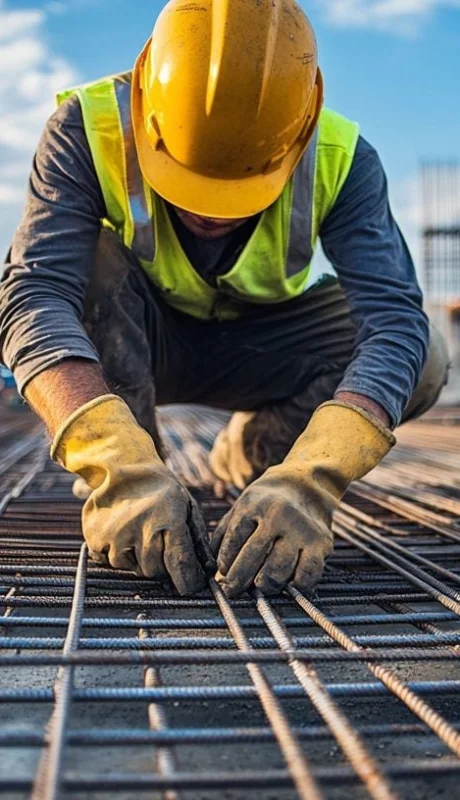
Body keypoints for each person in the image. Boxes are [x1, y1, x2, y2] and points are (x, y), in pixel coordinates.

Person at [0, 0, 449, 597]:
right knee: (84, 271)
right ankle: (139, 481)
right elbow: (34, 293)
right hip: (135, 342)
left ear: (297, 133)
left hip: (263, 347)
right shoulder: (90, 127)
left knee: (425, 354)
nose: (211, 209)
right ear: (146, 108)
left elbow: (393, 322)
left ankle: (263, 455)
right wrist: (115, 462)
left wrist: (317, 476)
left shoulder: (342, 158)